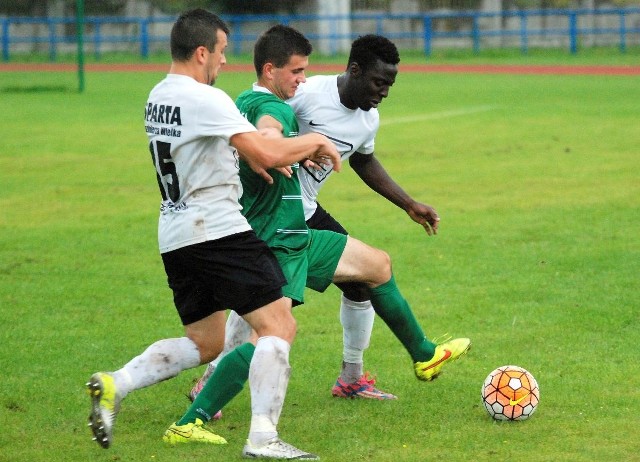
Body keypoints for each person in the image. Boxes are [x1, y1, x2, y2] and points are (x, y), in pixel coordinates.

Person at [164, 25, 470, 457]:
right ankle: (200, 403)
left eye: (391, 84)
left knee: (372, 270)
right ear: (355, 70)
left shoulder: (368, 117)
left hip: (301, 217)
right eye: (380, 81)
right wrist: (279, 147)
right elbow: (262, 123)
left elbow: (363, 160)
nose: (384, 92)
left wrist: (408, 204)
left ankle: (392, 365)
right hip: (272, 223)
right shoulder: (303, 95)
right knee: (270, 326)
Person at [85, 10, 341, 460]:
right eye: (222, 52)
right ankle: (263, 438)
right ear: (202, 52)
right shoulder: (207, 98)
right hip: (218, 230)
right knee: (279, 324)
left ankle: (115, 383)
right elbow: (263, 146)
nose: (224, 62)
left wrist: (264, 157)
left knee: (207, 343)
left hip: (176, 234)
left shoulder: (158, 96)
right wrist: (314, 143)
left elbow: (222, 151)